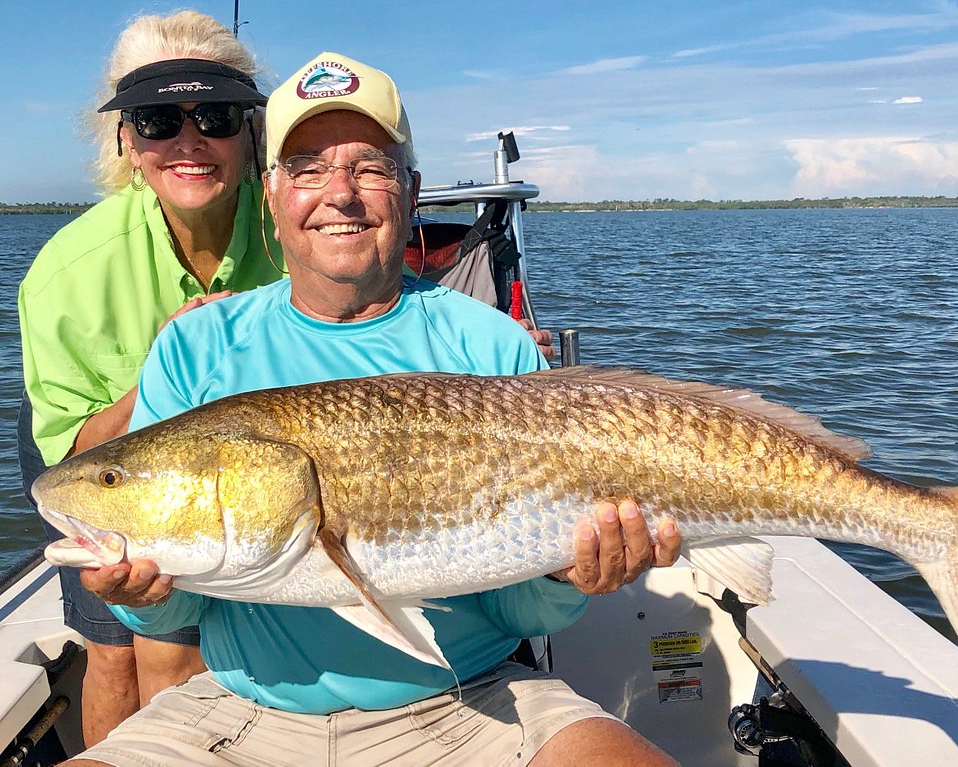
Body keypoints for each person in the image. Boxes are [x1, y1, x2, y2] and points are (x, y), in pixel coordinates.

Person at [66, 52, 682, 766]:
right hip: (238, 709)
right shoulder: (195, 348)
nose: (340, 194)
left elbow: (515, 612)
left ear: (410, 190)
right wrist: (141, 594)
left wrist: (566, 574)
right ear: (270, 193)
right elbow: (184, 610)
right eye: (305, 167)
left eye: (369, 167)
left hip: (472, 702)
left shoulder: (489, 341)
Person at [17, 11, 285, 746]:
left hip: (240, 458)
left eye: (219, 115)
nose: (189, 142)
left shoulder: (298, 227)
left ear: (253, 131)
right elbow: (73, 448)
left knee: (190, 644)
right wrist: (172, 366)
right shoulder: (66, 274)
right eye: (159, 118)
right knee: (113, 650)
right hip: (91, 447)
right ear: (126, 140)